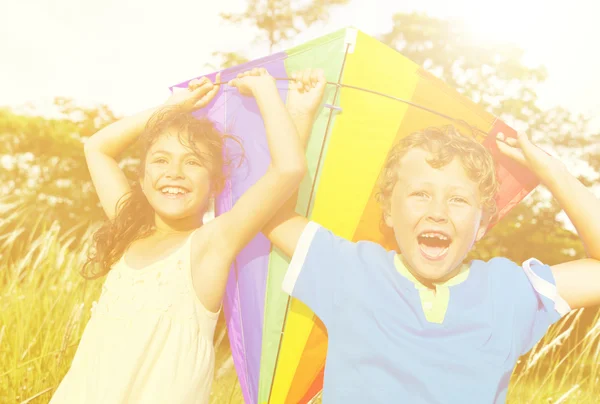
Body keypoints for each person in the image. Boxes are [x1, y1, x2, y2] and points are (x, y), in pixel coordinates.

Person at [264, 69, 600, 403]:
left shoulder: (508, 291)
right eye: (420, 194)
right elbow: (271, 213)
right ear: (389, 212)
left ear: (482, 224)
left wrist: (553, 172)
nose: (437, 212)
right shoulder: (350, 270)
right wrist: (298, 113)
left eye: (458, 199)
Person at [50, 68, 307, 404]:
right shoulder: (130, 232)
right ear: (141, 180)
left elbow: (288, 168)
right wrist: (171, 108)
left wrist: (265, 90)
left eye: (193, 162)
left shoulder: (210, 245)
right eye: (160, 160)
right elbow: (97, 148)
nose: (174, 172)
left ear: (215, 185)